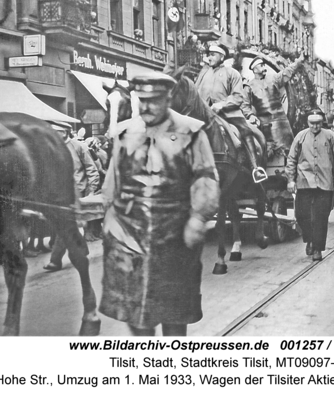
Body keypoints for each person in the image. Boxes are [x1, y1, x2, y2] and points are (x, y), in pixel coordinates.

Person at [99, 72, 220, 336]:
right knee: (134, 307)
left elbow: (205, 175)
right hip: (129, 229)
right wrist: (105, 213)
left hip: (174, 231)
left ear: (167, 98)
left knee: (174, 309)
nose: (145, 107)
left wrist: (198, 217)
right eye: (141, 100)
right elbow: (113, 180)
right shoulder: (125, 132)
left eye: (153, 100)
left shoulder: (191, 131)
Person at [196, 43, 267, 183]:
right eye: (208, 54)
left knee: (246, 131)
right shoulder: (203, 74)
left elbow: (238, 96)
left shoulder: (232, 73)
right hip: (205, 115)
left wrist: (221, 105)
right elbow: (195, 93)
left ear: (221, 56)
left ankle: (255, 168)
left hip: (229, 114)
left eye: (213, 55)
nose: (209, 57)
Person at [285, 110, 334, 262]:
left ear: (322, 122)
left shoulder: (329, 136)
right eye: (312, 123)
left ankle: (317, 248)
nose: (315, 126)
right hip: (304, 181)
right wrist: (291, 180)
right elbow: (292, 158)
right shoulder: (300, 136)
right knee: (301, 215)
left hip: (324, 183)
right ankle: (310, 239)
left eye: (318, 123)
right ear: (308, 123)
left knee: (321, 217)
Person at [43, 122, 100, 272]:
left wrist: (92, 190)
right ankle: (82, 249)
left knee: (65, 226)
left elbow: (91, 168)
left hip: (77, 191)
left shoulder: (78, 146)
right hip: (59, 193)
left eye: (57, 131)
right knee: (68, 225)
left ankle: (55, 261)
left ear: (65, 131)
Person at [241, 53, 304, 155]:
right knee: (269, 155)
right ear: (254, 70)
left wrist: (298, 62)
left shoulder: (273, 79)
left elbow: (287, 72)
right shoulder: (249, 86)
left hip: (282, 124)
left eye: (263, 64)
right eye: (261, 65)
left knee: (289, 154)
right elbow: (244, 105)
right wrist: (250, 115)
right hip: (266, 127)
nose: (264, 66)